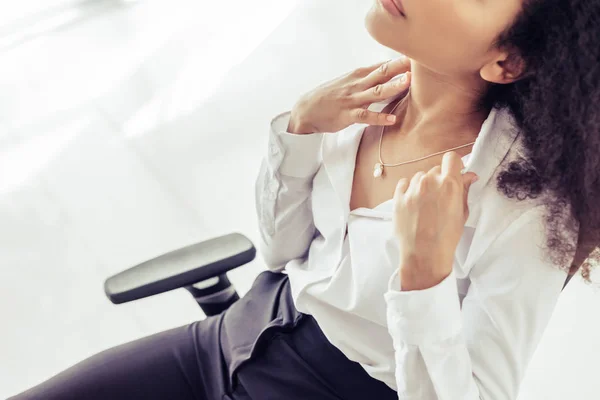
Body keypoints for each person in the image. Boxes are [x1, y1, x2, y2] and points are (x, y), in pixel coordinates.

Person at [11, 0, 600, 399]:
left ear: (507, 60)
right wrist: (298, 131)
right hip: (235, 336)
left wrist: (425, 274)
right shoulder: (367, 97)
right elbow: (280, 250)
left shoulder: (528, 208)